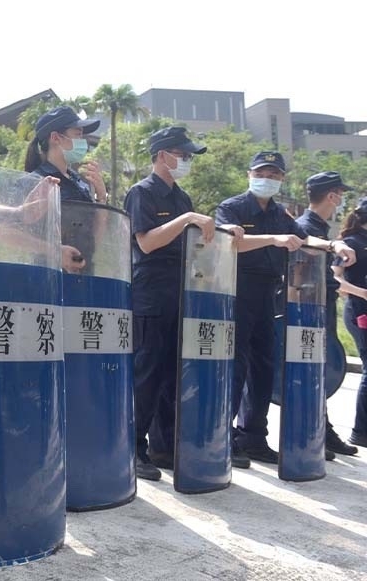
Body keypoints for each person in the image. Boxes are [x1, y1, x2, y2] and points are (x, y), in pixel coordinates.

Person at [215, 152, 355, 466]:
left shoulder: (280, 213)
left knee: (264, 367)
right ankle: (225, 439)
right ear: (250, 173)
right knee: (235, 368)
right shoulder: (233, 207)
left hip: (268, 292)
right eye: (263, 172)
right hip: (237, 289)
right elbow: (228, 242)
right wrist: (272, 239)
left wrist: (334, 245)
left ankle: (252, 436)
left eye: (276, 175)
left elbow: (305, 240)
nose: (269, 179)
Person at [123, 126, 236, 481]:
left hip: (182, 291)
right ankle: (132, 448)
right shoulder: (141, 193)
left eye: (188, 155)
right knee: (146, 373)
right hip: (152, 291)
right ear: (161, 155)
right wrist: (187, 219)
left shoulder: (181, 197)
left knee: (173, 375)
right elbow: (146, 243)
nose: (185, 160)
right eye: (181, 154)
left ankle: (163, 446)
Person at [295, 172, 358, 457]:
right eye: (340, 195)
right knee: (307, 373)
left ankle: (321, 429)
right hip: (309, 309)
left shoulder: (318, 226)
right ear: (332, 196)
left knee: (317, 373)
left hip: (321, 305)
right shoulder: (306, 228)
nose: (342, 201)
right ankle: (311, 432)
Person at [22, 105, 105, 272]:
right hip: (48, 278)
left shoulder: (79, 182)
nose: (84, 142)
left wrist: (101, 197)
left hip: (84, 275)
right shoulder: (35, 181)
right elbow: (4, 231)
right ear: (56, 137)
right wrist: (54, 250)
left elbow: (94, 238)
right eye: (78, 134)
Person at [334, 197, 367, 450]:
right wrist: (363, 293)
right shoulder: (351, 244)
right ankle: (359, 431)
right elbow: (337, 281)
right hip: (359, 312)